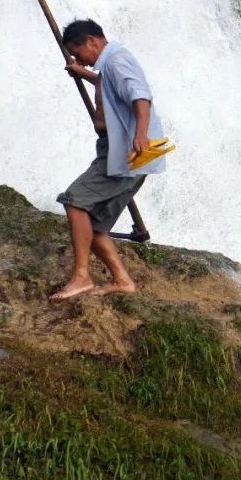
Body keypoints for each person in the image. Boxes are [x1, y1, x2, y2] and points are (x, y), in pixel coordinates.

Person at [51, 20, 167, 300]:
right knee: (93, 224)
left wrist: (140, 135)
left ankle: (81, 277)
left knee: (75, 201)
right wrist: (85, 75)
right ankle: (122, 280)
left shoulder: (116, 60)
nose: (79, 60)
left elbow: (140, 96)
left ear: (92, 41)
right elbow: (112, 87)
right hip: (117, 151)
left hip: (127, 152)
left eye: (78, 53)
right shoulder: (110, 65)